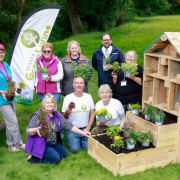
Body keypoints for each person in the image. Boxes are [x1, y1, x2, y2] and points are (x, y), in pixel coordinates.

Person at [25, 93, 91, 164]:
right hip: (43, 144)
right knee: (56, 160)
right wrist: (37, 129)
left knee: (64, 155)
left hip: (54, 142)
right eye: (47, 103)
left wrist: (82, 132)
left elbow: (67, 125)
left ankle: (49, 152)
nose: (49, 104)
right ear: (43, 104)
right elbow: (28, 131)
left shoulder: (56, 114)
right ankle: (33, 159)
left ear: (54, 104)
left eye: (51, 102)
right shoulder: (38, 115)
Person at [0, 44, 25, 152]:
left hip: (11, 97)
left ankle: (11, 144)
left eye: (2, 52)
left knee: (10, 122)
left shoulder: (5, 65)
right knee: (13, 121)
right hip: (2, 100)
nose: (1, 54)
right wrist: (1, 91)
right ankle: (18, 144)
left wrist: (15, 87)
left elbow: (9, 80)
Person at [62, 76, 95, 153]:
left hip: (85, 128)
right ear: (73, 85)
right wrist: (67, 112)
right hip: (73, 129)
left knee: (88, 149)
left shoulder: (88, 97)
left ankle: (81, 140)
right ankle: (75, 140)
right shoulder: (68, 98)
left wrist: (88, 128)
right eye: (77, 83)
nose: (79, 85)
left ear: (84, 85)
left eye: (81, 83)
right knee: (75, 150)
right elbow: (64, 118)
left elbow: (92, 114)